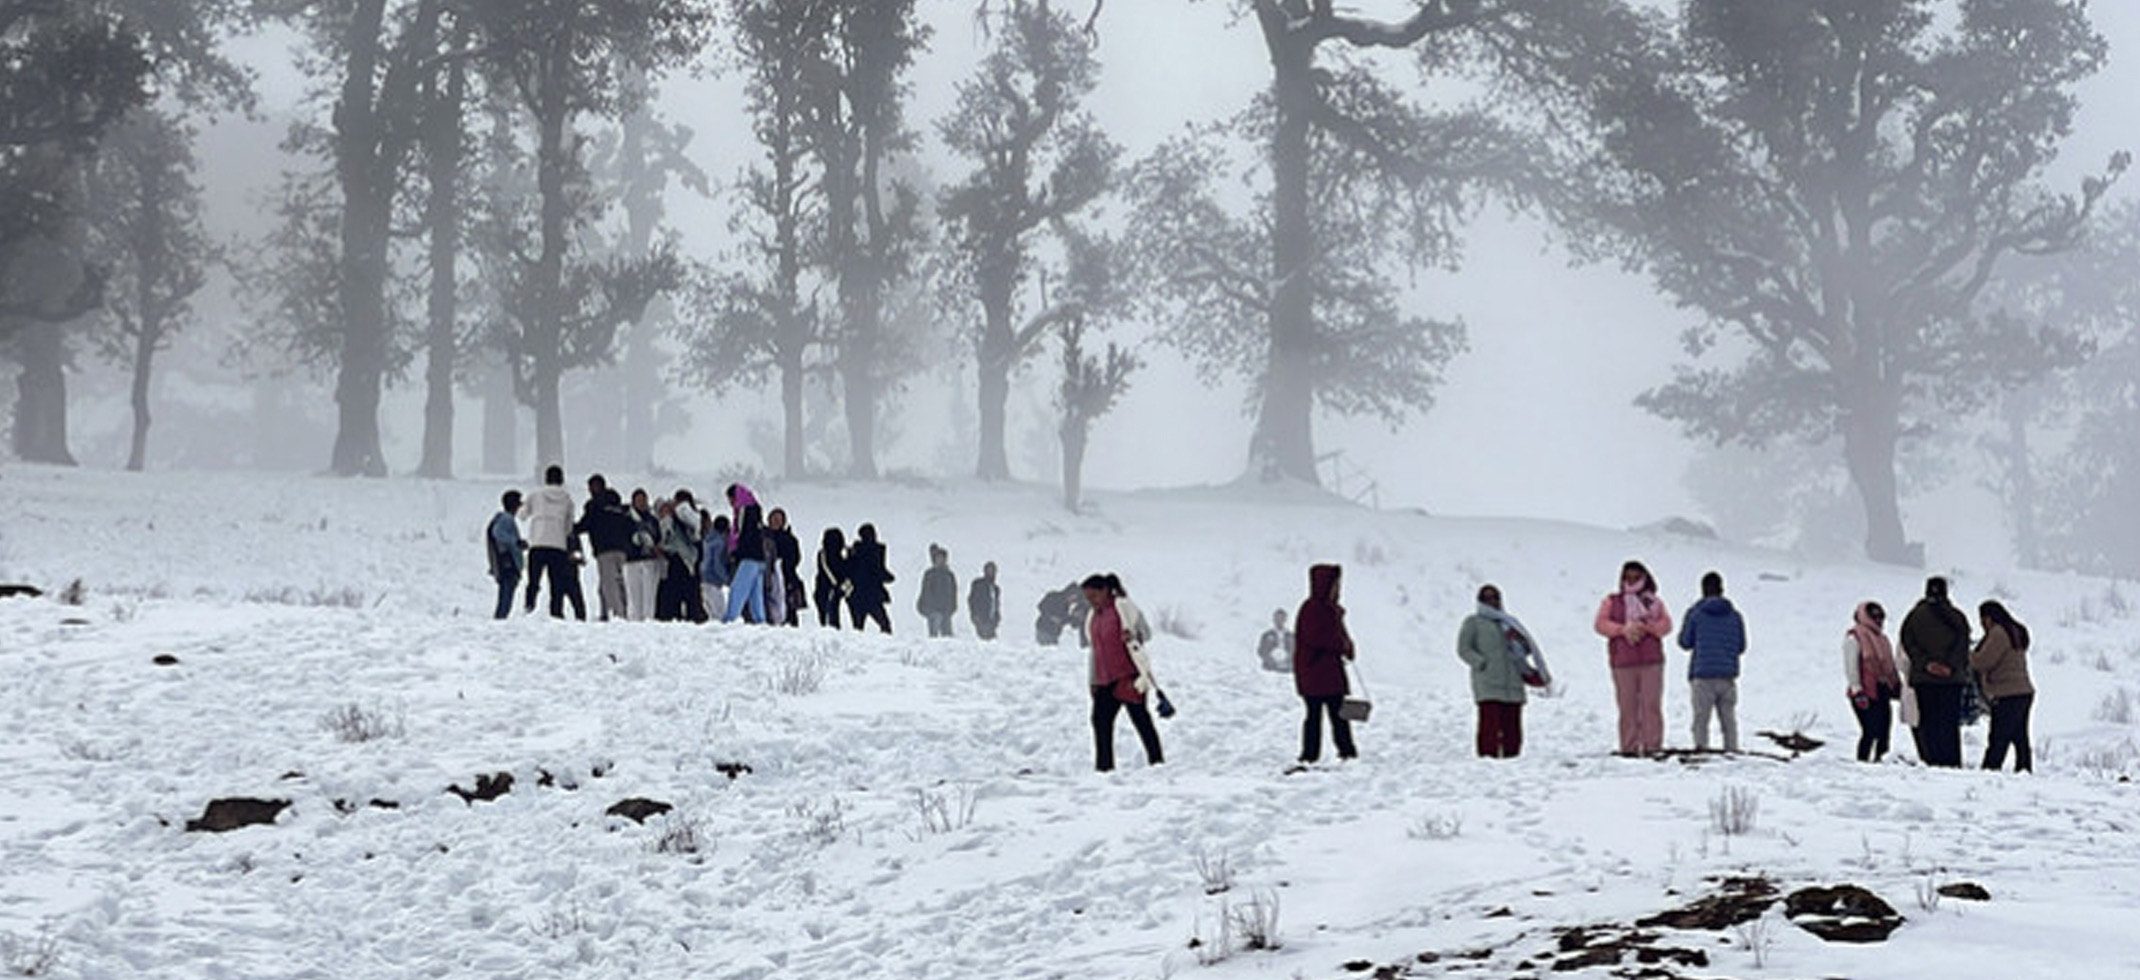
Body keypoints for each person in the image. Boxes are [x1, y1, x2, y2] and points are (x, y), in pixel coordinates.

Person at [1084, 573, 1162, 771]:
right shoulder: (1093, 617)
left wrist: (1134, 634)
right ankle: (1104, 768)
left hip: (1128, 676)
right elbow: (1095, 650)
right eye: (1088, 598)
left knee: (1140, 719)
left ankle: (1156, 761)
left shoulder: (1123, 607)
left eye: (1094, 596)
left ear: (1104, 591)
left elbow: (1146, 632)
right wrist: (1093, 680)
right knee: (1100, 722)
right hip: (1103, 680)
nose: (1091, 602)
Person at [1594, 560, 1671, 755]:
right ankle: (1628, 746)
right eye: (1628, 577)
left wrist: (1648, 628)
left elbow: (1666, 626)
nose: (1631, 581)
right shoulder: (1612, 601)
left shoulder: (1655, 602)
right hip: (1623, 661)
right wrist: (1622, 629)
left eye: (1636, 577)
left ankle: (1652, 745)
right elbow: (1600, 624)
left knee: (1651, 705)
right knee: (1627, 706)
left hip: (1651, 661)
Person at [1458, 584, 1543, 759]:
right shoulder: (1473, 622)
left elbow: (1526, 648)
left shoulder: (1509, 623)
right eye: (1487, 598)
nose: (1492, 602)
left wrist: (1519, 642)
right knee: (1490, 724)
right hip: (1488, 681)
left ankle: (1512, 759)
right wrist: (1481, 663)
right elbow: (1464, 648)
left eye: (1495, 598)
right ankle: (1488, 760)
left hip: (1512, 681)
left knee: (1512, 726)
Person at [1901, 577, 1971, 768]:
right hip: (1952, 680)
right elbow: (1963, 646)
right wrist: (1950, 666)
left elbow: (1908, 644)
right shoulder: (1957, 617)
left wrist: (1927, 664)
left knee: (1929, 722)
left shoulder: (1914, 616)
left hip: (1925, 679)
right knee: (1949, 724)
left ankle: (1933, 760)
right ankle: (1952, 761)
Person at [1293, 564, 1358, 764]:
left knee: (1337, 715)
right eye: (1335, 585)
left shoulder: (1329, 610)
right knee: (1317, 716)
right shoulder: (1313, 609)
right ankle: (1311, 754)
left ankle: (1344, 751)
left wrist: (1348, 646)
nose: (1338, 589)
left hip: (1327, 674)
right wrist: (1342, 646)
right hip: (1316, 674)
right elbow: (1322, 638)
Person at [1677, 571, 1748, 753]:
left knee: (1701, 718)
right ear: (1722, 589)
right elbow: (1741, 646)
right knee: (1728, 718)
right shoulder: (1735, 616)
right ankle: (1731, 749)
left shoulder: (1696, 614)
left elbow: (1685, 642)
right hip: (1727, 675)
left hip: (1702, 674)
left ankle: (1702, 748)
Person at [1972, 600, 2035, 773]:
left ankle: (1990, 770)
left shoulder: (1998, 633)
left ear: (1989, 618)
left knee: (1998, 738)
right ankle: (2024, 770)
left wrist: (1966, 655)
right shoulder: (2015, 631)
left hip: (2006, 693)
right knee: (2020, 737)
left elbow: (1983, 662)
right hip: (2024, 691)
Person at [518, 465, 586, 620]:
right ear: (561, 480)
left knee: (534, 580)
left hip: (538, 543)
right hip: (558, 546)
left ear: (546, 478)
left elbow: (522, 514)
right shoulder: (567, 499)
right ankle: (556, 611)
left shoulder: (535, 495)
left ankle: (529, 606)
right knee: (556, 582)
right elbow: (569, 527)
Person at [1843, 601, 1903, 763]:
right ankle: (1863, 762)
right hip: (1865, 691)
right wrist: (1857, 690)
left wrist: (1896, 684)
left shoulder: (1882, 639)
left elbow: (1890, 665)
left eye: (1880, 617)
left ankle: (1881, 760)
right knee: (1870, 730)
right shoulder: (1854, 637)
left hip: (1882, 689)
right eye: (1874, 616)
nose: (1878, 620)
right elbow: (1851, 666)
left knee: (1884, 729)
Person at [577, 488, 633, 622]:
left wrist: (569, 528)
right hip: (622, 549)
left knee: (609, 583)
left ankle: (615, 614)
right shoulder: (621, 510)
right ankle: (620, 611)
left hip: (604, 550)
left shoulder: (594, 509)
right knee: (620, 582)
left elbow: (583, 526)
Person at [656, 492, 707, 623]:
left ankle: (684, 616)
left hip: (684, 560)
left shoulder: (685, 519)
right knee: (687, 593)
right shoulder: (682, 519)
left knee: (685, 593)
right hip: (684, 560)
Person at [723, 504, 770, 624]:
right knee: (756, 592)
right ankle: (760, 619)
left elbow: (744, 539)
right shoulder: (758, 525)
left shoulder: (745, 518)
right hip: (760, 560)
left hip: (749, 559)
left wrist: (735, 553)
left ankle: (730, 618)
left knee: (738, 588)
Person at [845, 523, 895, 633]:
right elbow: (878, 571)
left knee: (858, 628)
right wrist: (888, 577)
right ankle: (887, 646)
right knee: (885, 624)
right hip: (873, 595)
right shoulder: (877, 550)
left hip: (857, 595)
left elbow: (849, 570)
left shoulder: (855, 551)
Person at [623, 489, 663, 622]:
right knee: (634, 596)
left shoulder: (652, 520)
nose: (642, 503)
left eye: (644, 500)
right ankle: (635, 619)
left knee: (649, 595)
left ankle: (648, 619)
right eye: (639, 500)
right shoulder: (626, 519)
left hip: (649, 561)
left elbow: (658, 538)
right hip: (632, 561)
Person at [486, 491, 526, 620]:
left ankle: (500, 617)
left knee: (505, 593)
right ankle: (500, 619)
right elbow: (498, 533)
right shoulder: (506, 519)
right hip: (508, 562)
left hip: (504, 562)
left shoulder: (501, 518)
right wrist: (516, 542)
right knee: (507, 594)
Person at [767, 508, 805, 627]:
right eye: (774, 519)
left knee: (789, 606)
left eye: (779, 520)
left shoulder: (790, 539)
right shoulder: (764, 537)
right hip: (768, 575)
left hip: (787, 575)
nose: (776, 522)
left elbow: (796, 557)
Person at [918, 544, 958, 638]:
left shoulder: (949, 575)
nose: (941, 560)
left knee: (947, 636)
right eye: (938, 558)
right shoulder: (929, 574)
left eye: (943, 558)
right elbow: (925, 591)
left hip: (946, 610)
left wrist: (953, 606)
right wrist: (927, 606)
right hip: (933, 610)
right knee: (934, 636)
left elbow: (953, 591)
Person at [813, 528, 849, 629]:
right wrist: (837, 584)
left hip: (832, 588)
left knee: (830, 614)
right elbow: (826, 569)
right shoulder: (824, 554)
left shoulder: (841, 553)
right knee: (829, 615)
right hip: (826, 588)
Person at [700, 514, 733, 619]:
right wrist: (726, 579)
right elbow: (717, 563)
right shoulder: (720, 543)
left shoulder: (707, 539)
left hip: (703, 578)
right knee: (719, 613)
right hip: (713, 580)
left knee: (710, 610)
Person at [1036, 582, 1089, 646]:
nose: (1073, 600)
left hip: (1054, 634)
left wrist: (1076, 618)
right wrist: (1051, 616)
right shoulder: (1054, 596)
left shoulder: (1068, 607)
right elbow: (1041, 606)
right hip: (1044, 629)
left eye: (1075, 598)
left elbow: (1067, 622)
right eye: (1073, 596)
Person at [969, 562, 1002, 641]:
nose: (991, 573)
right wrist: (974, 614)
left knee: (992, 642)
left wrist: (997, 617)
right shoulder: (978, 584)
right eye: (989, 570)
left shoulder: (995, 588)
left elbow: (996, 604)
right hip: (981, 618)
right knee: (983, 642)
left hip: (992, 620)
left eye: (992, 571)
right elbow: (972, 600)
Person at [1256, 608, 1293, 673]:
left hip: (1288, 670)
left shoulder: (1291, 636)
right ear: (1274, 619)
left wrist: (1289, 658)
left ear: (1285, 619)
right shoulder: (1267, 635)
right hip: (1270, 671)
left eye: (1282, 618)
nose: (1279, 621)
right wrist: (1269, 659)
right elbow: (1261, 651)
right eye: (1277, 618)